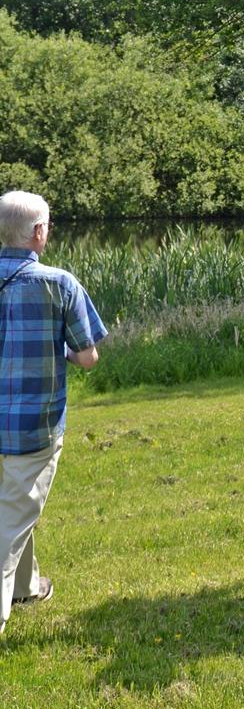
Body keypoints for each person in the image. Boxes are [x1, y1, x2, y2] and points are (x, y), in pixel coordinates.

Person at [1, 191, 107, 635]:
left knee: (12, 506)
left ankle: (26, 588)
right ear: (39, 232)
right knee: (8, 524)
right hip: (32, 428)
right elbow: (87, 357)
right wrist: (58, 348)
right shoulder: (59, 283)